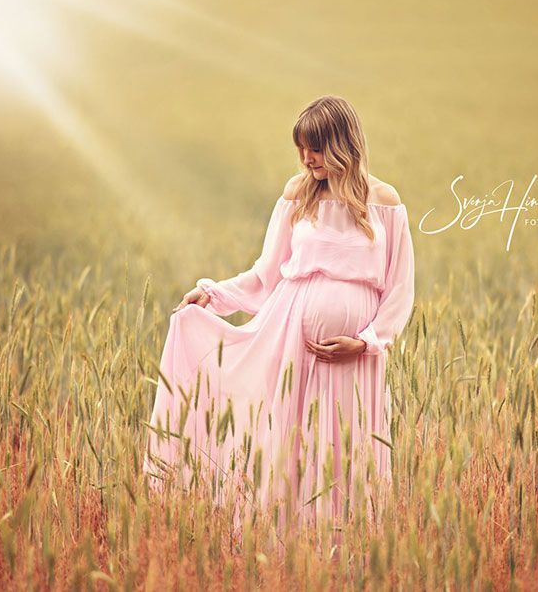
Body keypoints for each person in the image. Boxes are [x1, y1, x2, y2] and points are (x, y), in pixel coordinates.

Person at [143, 95, 416, 538]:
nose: (307, 159)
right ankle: (286, 544)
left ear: (343, 143)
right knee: (291, 440)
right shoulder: (297, 195)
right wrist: (213, 295)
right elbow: (266, 275)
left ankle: (346, 547)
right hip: (290, 342)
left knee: (347, 444)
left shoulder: (384, 201)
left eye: (316, 148)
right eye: (302, 149)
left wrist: (366, 342)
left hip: (354, 355)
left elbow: (400, 289)